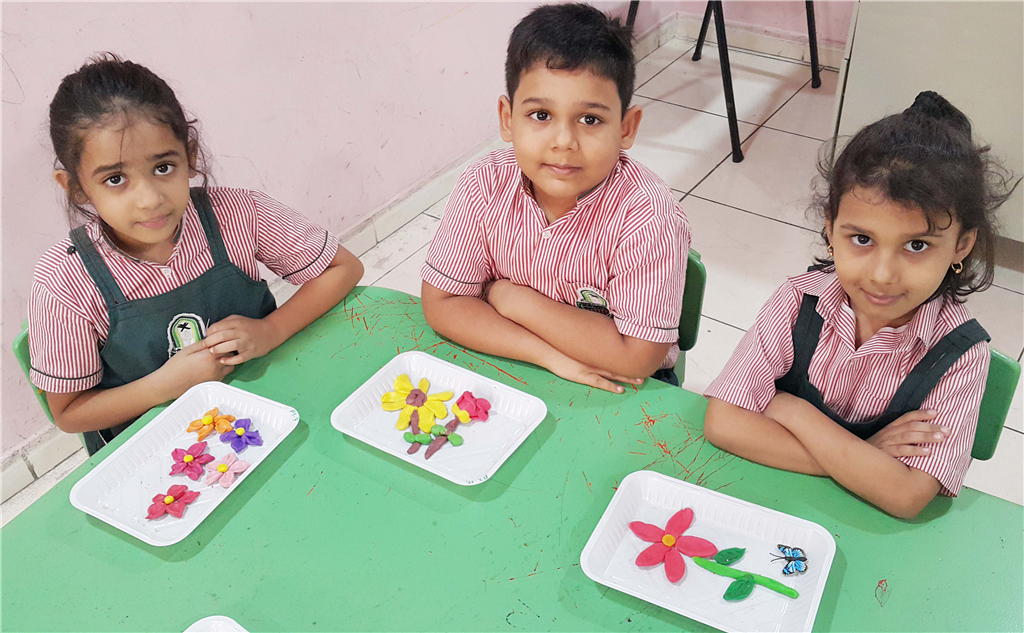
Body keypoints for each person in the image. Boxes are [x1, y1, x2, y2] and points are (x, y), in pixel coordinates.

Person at [703, 91, 1018, 519]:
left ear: (961, 246)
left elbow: (907, 495)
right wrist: (866, 454)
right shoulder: (798, 300)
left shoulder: (960, 356)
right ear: (831, 229)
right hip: (772, 504)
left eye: (917, 245)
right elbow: (723, 422)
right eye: (862, 239)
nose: (882, 275)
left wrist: (791, 409)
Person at [29, 54, 363, 454]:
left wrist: (271, 331)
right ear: (76, 187)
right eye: (115, 179)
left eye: (163, 167)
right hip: (157, 454)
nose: (149, 199)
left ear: (189, 156)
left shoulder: (238, 213)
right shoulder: (63, 281)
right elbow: (69, 413)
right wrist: (164, 386)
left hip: (271, 414)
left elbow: (343, 268)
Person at [421, 3, 690, 393]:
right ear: (507, 118)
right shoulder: (485, 183)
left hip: (620, 383)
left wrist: (515, 300)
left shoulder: (648, 218)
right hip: (514, 352)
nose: (563, 142)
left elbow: (638, 357)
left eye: (590, 119)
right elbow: (443, 304)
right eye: (541, 115)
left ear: (626, 128)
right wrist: (549, 357)